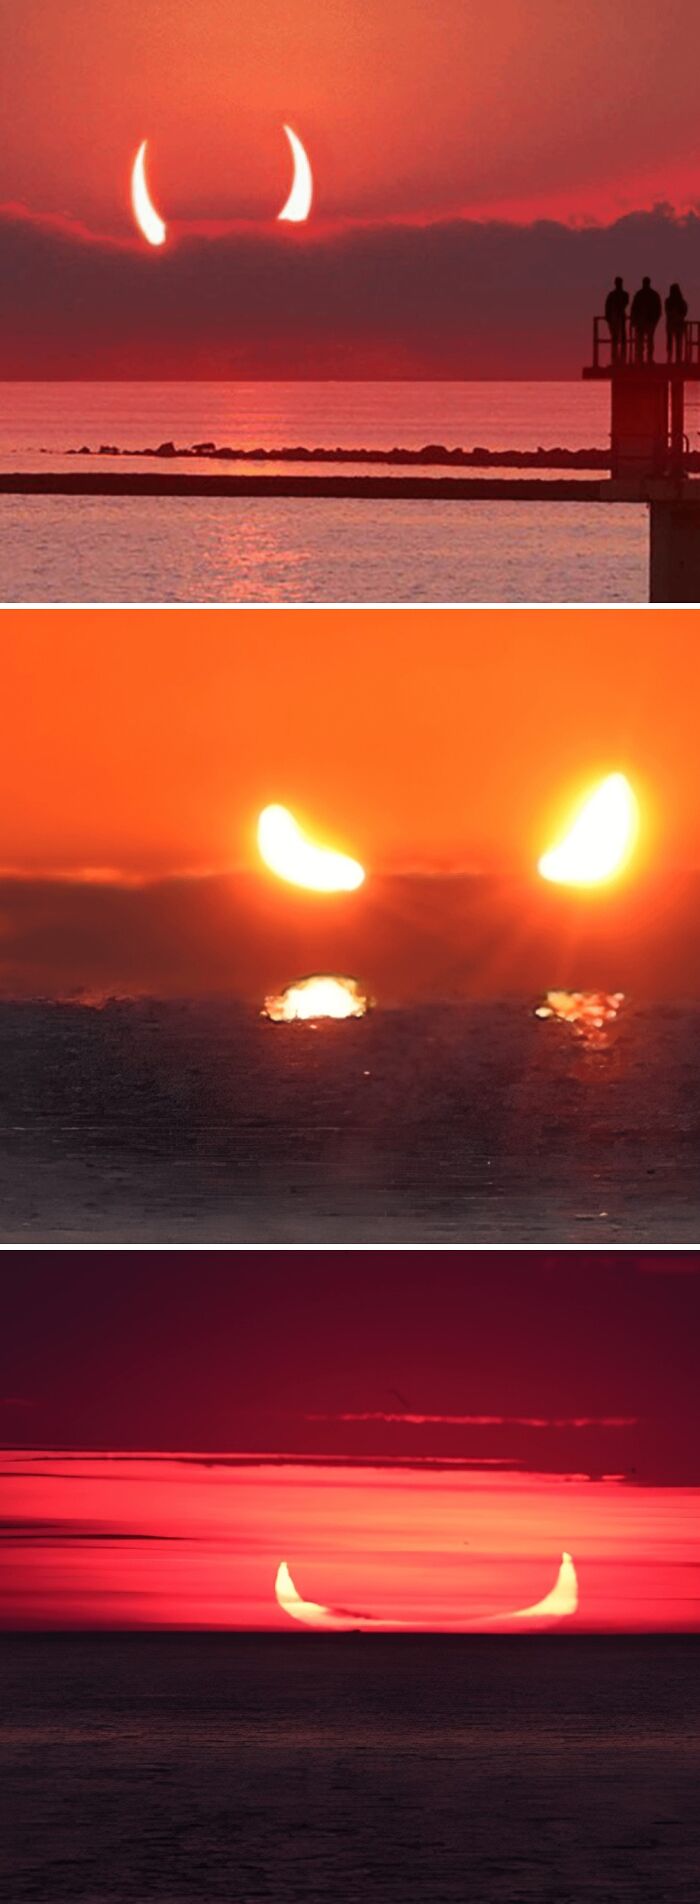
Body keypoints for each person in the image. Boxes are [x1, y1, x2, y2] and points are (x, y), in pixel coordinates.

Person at [630, 277, 662, 363]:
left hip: (642, 321)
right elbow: (658, 310)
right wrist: (655, 321)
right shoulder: (653, 295)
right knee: (649, 340)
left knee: (641, 340)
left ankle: (641, 358)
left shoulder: (639, 294)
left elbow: (634, 308)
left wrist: (633, 321)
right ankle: (648, 358)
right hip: (649, 322)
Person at [604, 277, 629, 362]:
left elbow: (608, 307)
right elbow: (607, 307)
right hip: (615, 318)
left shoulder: (615, 295)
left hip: (618, 318)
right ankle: (617, 357)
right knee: (617, 338)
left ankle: (619, 357)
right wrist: (609, 318)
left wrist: (609, 317)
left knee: (620, 338)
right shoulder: (622, 294)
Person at [665, 282, 688, 362]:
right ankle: (677, 359)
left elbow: (667, 311)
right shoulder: (681, 301)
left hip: (672, 323)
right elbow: (685, 312)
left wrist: (674, 315)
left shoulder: (668, 301)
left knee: (671, 341)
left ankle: (670, 358)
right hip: (678, 323)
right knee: (678, 341)